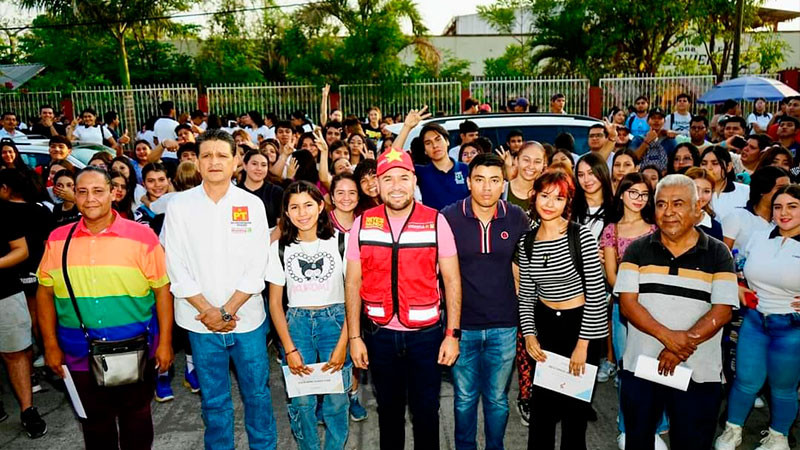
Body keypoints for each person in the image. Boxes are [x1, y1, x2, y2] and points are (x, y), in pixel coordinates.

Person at [36, 166, 173, 449]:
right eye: (82, 191)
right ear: (73, 195)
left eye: (98, 191)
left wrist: (165, 344)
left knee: (137, 419)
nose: (90, 199)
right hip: (78, 350)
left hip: (135, 347)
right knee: (95, 425)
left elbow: (162, 291)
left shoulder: (142, 236)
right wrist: (50, 345)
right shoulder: (57, 239)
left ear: (114, 193)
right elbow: (44, 293)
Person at [162, 129, 277, 450]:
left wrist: (227, 310)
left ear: (236, 161)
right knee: (214, 401)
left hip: (247, 320)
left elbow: (258, 264)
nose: (214, 161)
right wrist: (209, 311)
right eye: (207, 155)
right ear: (197, 162)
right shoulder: (179, 205)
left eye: (222, 155)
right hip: (200, 322)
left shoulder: (251, 204)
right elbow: (175, 264)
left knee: (258, 395)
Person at [345, 147, 462, 450]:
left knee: (426, 413)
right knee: (388, 413)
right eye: (388, 179)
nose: (396, 186)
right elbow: (353, 282)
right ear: (377, 184)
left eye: (403, 178)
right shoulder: (363, 223)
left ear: (414, 181)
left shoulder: (436, 221)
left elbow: (452, 280)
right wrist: (355, 338)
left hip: (426, 337)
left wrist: (452, 335)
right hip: (379, 336)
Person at [615, 174, 737, 450]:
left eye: (678, 203)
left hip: (698, 372)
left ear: (697, 208)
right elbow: (628, 304)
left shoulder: (718, 253)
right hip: (642, 368)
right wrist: (668, 337)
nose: (668, 211)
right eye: (661, 204)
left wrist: (678, 348)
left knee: (692, 443)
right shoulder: (637, 250)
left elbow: (722, 311)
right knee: (638, 441)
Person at [442, 153, 529, 450]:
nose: (487, 188)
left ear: (504, 183)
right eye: (479, 180)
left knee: (496, 399)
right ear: (468, 182)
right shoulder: (450, 217)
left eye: (494, 180)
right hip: (462, 326)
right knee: (464, 399)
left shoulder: (516, 217)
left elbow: (527, 266)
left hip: (504, 325)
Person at [516, 169, 608, 450]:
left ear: (567, 201)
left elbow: (596, 296)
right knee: (542, 412)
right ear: (534, 196)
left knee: (574, 414)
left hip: (580, 326)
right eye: (545, 195)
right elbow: (526, 296)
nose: (549, 203)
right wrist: (529, 335)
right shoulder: (526, 241)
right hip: (545, 326)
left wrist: (582, 346)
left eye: (558, 198)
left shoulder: (581, 237)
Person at [267, 181, 351, 450]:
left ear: (321, 206)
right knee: (302, 401)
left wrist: (343, 344)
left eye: (308, 205)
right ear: (286, 212)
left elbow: (354, 298)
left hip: (335, 322)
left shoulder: (342, 242)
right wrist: (288, 348)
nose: (302, 213)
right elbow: (275, 304)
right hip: (297, 324)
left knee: (336, 399)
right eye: (294, 207)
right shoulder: (279, 248)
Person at [715, 185, 800, 450]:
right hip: (754, 321)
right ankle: (732, 430)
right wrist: (738, 287)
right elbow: (738, 269)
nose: (783, 213)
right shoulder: (760, 237)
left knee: (783, 387)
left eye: (792, 206)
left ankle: (778, 437)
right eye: (778, 206)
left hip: (792, 327)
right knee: (745, 381)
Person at [599, 172, 663, 448]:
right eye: (633, 192)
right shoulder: (611, 230)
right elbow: (611, 276)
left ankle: (655, 426)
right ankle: (626, 426)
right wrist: (632, 297)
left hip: (656, 308)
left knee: (654, 368)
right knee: (628, 368)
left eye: (644, 194)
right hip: (623, 308)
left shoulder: (656, 229)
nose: (638, 198)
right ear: (622, 194)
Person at [0, 171, 47, 439]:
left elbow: (21, 250)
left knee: (15, 351)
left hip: (5, 291)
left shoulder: (4, 211)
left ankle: (28, 410)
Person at [722, 166, 790, 253]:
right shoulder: (737, 217)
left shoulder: (784, 222)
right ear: (763, 189)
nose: (785, 193)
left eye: (788, 188)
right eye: (780, 188)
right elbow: (722, 255)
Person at [412, 121, 470, 210]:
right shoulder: (421, 172)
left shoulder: (465, 169)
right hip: (434, 219)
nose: (435, 145)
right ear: (425, 150)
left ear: (447, 141)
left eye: (438, 139)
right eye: (428, 143)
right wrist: (406, 127)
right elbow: (392, 160)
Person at [701, 146, 750, 221]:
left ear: (728, 167)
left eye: (715, 163)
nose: (709, 168)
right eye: (704, 163)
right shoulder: (694, 192)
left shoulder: (745, 192)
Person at [574, 152, 614, 240]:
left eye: (591, 173)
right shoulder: (570, 208)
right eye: (581, 175)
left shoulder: (616, 208)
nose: (586, 180)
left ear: (602, 172)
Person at [239, 149, 284, 228]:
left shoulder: (276, 192)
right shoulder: (234, 192)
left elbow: (281, 225)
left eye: (263, 165)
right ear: (245, 166)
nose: (259, 168)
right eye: (254, 164)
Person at [630, 108, 677, 174]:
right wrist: (646, 141)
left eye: (660, 118)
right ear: (647, 121)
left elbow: (675, 161)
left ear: (664, 121)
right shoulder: (638, 139)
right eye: (653, 118)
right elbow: (631, 159)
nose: (656, 121)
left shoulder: (670, 140)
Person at [503, 141, 547, 211]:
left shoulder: (547, 194)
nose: (531, 166)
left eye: (537, 162)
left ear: (543, 165)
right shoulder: (501, 190)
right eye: (526, 160)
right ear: (517, 160)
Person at [685, 167, 724, 241]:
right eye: (695, 189)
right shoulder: (670, 219)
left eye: (706, 191)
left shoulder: (715, 228)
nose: (700, 196)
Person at [134, 163, 170, 235]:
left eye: (161, 180)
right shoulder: (140, 213)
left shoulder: (177, 205)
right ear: (144, 184)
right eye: (151, 181)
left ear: (168, 181)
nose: (157, 185)